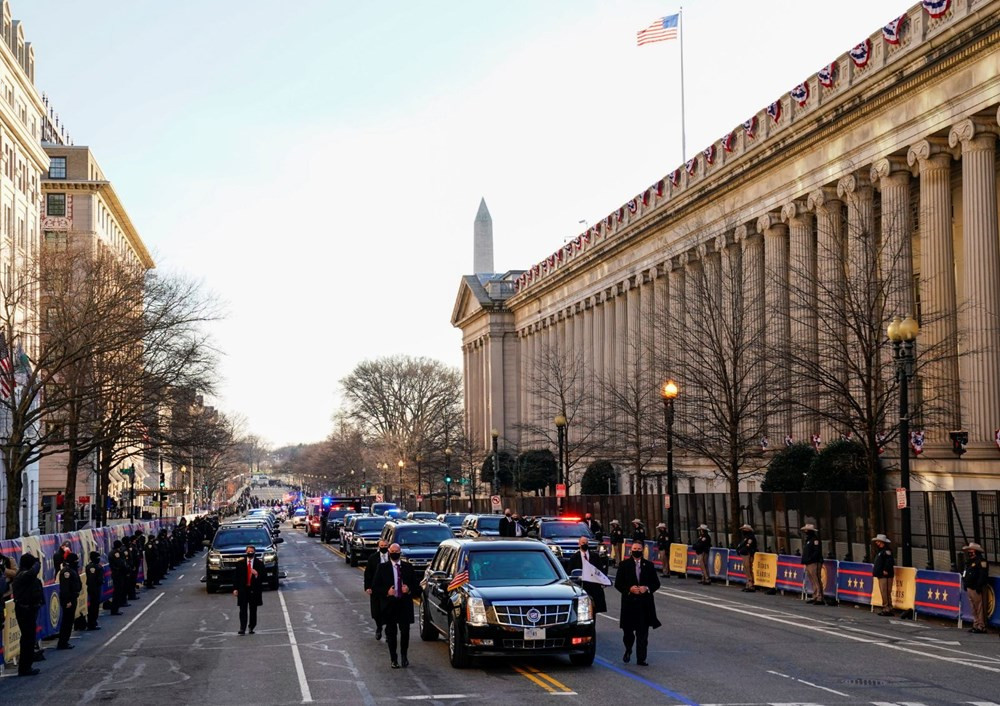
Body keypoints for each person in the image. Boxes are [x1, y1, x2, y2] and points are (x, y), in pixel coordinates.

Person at [372, 542, 420, 668]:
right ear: (389, 552)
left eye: (396, 552)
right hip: (389, 606)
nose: (394, 554)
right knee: (391, 634)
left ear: (400, 552)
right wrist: (387, 592)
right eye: (392, 552)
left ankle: (404, 656)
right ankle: (393, 658)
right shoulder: (382, 568)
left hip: (404, 605)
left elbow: (417, 587)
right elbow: (375, 588)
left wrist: (408, 589)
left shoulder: (408, 567)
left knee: (405, 633)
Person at [614, 541, 661, 666]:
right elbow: (618, 584)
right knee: (628, 632)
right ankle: (628, 649)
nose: (637, 550)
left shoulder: (649, 565)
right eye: (634, 548)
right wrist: (629, 589)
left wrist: (647, 588)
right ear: (631, 550)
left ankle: (641, 658)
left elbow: (656, 583)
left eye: (639, 548)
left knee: (643, 634)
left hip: (644, 605)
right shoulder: (624, 565)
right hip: (629, 604)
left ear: (642, 550)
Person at [12, 553, 44, 676]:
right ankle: (24, 668)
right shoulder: (22, 576)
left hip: (29, 609)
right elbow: (32, 573)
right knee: (27, 639)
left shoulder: (24, 575)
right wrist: (37, 562)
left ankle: (27, 666)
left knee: (29, 639)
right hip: (24, 610)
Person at [568, 535, 608, 613]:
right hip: (581, 585)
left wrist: (603, 581)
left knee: (594, 609)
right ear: (579, 544)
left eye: (586, 543)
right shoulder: (574, 557)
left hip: (594, 586)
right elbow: (570, 572)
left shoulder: (595, 556)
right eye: (583, 543)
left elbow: (600, 571)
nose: (585, 544)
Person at [233, 545, 264, 635]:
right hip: (243, 589)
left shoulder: (259, 563)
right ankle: (242, 628)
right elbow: (236, 577)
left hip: (254, 590)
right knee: (242, 609)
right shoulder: (240, 563)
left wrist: (257, 574)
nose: (250, 553)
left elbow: (264, 576)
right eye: (248, 551)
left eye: (252, 551)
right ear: (246, 552)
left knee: (253, 609)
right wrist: (235, 588)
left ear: (254, 552)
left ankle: (251, 627)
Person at [364, 539, 390, 640]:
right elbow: (368, 573)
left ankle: (389, 632)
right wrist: (368, 587)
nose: (383, 547)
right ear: (378, 546)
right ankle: (379, 627)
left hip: (389, 589)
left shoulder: (391, 557)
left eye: (385, 545)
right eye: (382, 545)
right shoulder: (373, 558)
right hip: (376, 589)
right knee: (376, 611)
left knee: (388, 611)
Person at [962, 542, 990, 634]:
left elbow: (983, 575)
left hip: (976, 588)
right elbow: (966, 573)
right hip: (970, 587)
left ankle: (981, 626)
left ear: (976, 552)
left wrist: (979, 586)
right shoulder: (969, 562)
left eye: (971, 551)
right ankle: (976, 624)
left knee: (980, 607)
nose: (969, 552)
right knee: (973, 608)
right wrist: (965, 584)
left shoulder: (981, 561)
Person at [57, 553, 82, 649]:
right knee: (67, 621)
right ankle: (62, 642)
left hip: (73, 598)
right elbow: (65, 588)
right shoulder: (66, 572)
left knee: (70, 620)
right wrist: (68, 601)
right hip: (69, 600)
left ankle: (65, 641)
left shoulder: (72, 570)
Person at [871, 534, 895, 616]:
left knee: (885, 592)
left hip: (885, 575)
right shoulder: (881, 551)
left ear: (882, 542)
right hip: (881, 574)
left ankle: (887, 608)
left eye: (878, 541)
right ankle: (888, 608)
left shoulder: (886, 551)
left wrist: (885, 569)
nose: (876, 543)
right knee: (884, 592)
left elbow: (889, 561)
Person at [801, 524, 824, 605]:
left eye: (807, 530)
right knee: (812, 580)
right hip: (808, 562)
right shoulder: (808, 540)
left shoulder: (815, 540)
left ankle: (819, 597)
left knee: (816, 579)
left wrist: (810, 559)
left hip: (814, 562)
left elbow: (816, 551)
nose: (805, 532)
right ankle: (815, 596)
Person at [85, 551, 104, 630]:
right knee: (94, 606)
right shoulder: (97, 567)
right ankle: (92, 623)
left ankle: (92, 622)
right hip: (95, 588)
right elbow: (95, 579)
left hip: (91, 588)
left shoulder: (88, 566)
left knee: (93, 606)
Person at [737, 524, 758, 592]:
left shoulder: (750, 537)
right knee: (746, 569)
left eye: (744, 529)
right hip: (744, 554)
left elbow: (748, 546)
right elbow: (741, 545)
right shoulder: (745, 537)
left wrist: (741, 550)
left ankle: (751, 584)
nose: (743, 531)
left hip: (748, 554)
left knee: (748, 569)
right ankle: (748, 583)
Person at [109, 540, 127, 614]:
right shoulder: (116, 553)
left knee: (118, 591)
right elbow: (120, 563)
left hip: (117, 573)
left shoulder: (112, 552)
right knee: (117, 592)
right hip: (118, 574)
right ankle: (115, 609)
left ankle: (115, 608)